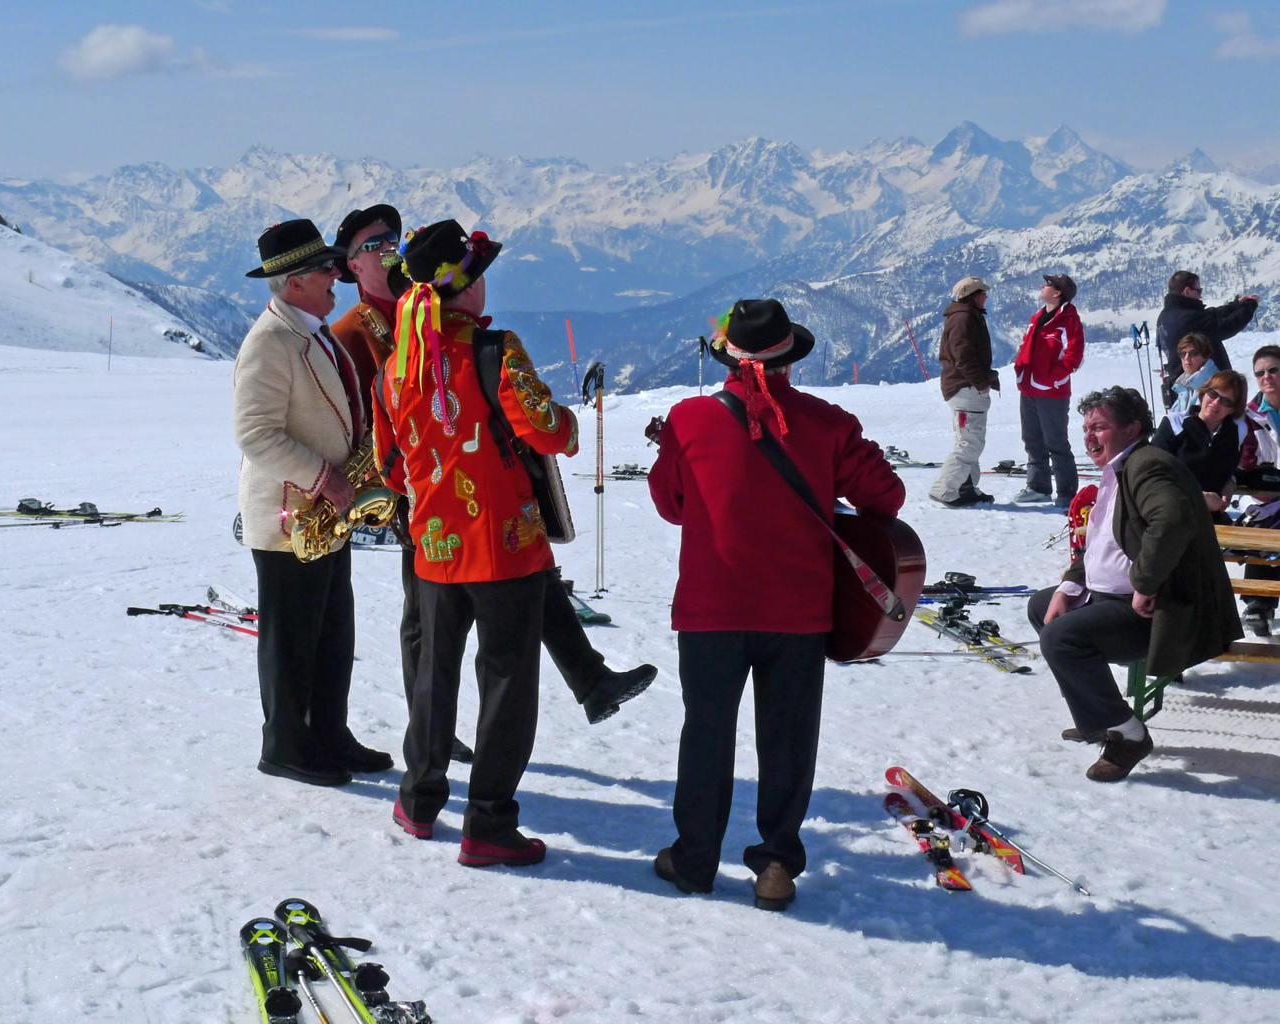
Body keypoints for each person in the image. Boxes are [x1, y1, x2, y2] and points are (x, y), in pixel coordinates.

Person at [330, 206, 655, 746]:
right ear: (352, 266)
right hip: (422, 497)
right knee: (434, 630)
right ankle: (431, 738)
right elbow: (358, 419)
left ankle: (588, 679)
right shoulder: (355, 332)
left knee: (530, 578)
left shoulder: (417, 314)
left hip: (471, 489)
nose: (386, 247)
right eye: (372, 244)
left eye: (391, 237)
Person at [647, 299, 904, 910]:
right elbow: (886, 497)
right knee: (787, 740)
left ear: (729, 358)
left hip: (711, 606)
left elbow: (670, 503)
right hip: (798, 610)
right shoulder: (829, 422)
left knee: (705, 734)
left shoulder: (688, 419)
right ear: (789, 356)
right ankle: (776, 865)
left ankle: (694, 860)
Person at [373, 219, 579, 867]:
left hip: (432, 546)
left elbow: (390, 468)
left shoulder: (393, 370)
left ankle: (419, 798)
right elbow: (545, 431)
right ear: (466, 287)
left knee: (434, 674)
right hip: (503, 546)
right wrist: (570, 425)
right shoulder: (495, 351)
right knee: (507, 682)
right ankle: (488, 822)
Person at [233, 218, 391, 788]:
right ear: (295, 281)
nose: (336, 276)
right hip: (290, 516)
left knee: (331, 632)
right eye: (326, 269)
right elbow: (255, 433)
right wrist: (326, 477)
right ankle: (285, 744)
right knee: (292, 636)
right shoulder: (270, 342)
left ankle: (329, 733)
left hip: (326, 512)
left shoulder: (312, 330)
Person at [1027, 387, 1241, 782]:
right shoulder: (1121, 468)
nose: (1089, 436)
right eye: (1086, 427)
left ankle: (1129, 736)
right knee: (1043, 607)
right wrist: (1068, 588)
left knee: (1061, 638)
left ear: (1131, 429)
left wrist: (1146, 583)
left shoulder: (1147, 465)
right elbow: (1101, 545)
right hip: (1113, 597)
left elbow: (1173, 519)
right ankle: (1100, 717)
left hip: (1157, 610)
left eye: (1100, 427)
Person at [1012, 273, 1084, 505]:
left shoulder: (1069, 320)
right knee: (1032, 439)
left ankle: (1066, 493)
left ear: (1057, 293)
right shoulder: (1037, 317)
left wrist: (1053, 377)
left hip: (1052, 392)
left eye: (1048, 284)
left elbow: (1074, 355)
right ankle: (1038, 487)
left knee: (1056, 442)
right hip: (1029, 388)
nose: (1042, 286)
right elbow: (1027, 346)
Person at [930, 276, 1000, 507]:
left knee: (970, 440)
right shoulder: (963, 318)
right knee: (969, 443)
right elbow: (963, 357)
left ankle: (966, 487)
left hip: (963, 387)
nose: (986, 297)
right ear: (973, 295)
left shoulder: (964, 315)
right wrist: (980, 383)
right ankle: (945, 489)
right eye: (982, 293)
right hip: (965, 388)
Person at [1150, 369, 1247, 524]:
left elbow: (1233, 466)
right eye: (1213, 394)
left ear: (1233, 409)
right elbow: (1150, 476)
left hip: (1211, 522)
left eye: (1226, 401)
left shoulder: (1237, 432)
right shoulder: (1174, 424)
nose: (1216, 403)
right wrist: (1200, 498)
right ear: (1203, 393)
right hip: (1170, 518)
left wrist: (1231, 482)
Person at [1155, 270, 1260, 404]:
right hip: (1206, 391)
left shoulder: (1165, 316)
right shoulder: (1189, 319)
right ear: (1187, 291)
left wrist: (1235, 306)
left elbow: (1210, 315)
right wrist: (1250, 306)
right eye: (1198, 291)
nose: (1200, 296)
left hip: (1182, 388)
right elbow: (1226, 326)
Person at [1237, 345, 1280, 635]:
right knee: (1270, 528)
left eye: (1273, 370)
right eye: (1260, 373)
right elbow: (1245, 463)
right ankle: (1258, 603)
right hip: (1266, 498)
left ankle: (1259, 603)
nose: (1267, 377)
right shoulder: (1249, 418)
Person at [1168, 334, 1218, 413]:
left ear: (1205, 355)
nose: (1186, 358)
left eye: (1193, 353)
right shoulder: (1183, 385)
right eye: (1183, 354)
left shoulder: (1215, 385)